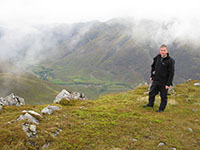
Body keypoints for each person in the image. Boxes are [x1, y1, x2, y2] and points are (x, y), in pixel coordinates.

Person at [143, 44, 175, 112]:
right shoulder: (157, 57)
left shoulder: (170, 61)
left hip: (164, 82)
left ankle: (161, 109)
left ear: (167, 51)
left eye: (164, 50)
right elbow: (153, 66)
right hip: (156, 80)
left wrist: (168, 84)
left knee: (163, 96)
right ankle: (150, 104)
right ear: (160, 51)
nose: (163, 52)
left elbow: (171, 73)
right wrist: (152, 76)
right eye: (161, 50)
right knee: (151, 93)